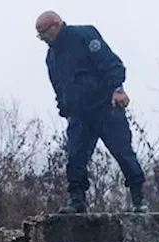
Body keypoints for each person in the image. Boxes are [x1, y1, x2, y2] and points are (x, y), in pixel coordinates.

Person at [35, 11, 148, 213]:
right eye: (39, 35)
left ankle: (139, 199)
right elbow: (59, 86)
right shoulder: (51, 57)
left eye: (43, 33)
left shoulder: (85, 35)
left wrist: (117, 89)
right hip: (79, 115)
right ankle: (77, 201)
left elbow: (110, 63)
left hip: (105, 107)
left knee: (123, 153)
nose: (42, 38)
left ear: (55, 25)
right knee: (75, 158)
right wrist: (65, 110)